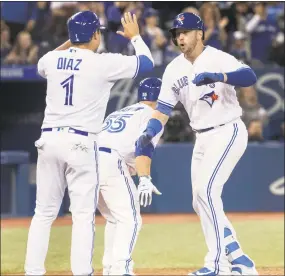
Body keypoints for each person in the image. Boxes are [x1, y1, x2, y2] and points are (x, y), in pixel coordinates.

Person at [24, 11, 154, 276]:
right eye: (99, 33)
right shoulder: (102, 63)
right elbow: (147, 63)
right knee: (82, 216)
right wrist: (136, 37)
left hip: (48, 139)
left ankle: (32, 272)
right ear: (95, 34)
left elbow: (40, 64)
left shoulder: (52, 59)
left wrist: (70, 43)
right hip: (81, 143)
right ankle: (82, 272)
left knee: (43, 214)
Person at [136, 12, 258, 276]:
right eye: (177, 33)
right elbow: (163, 110)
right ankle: (240, 259)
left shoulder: (217, 57)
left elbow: (249, 76)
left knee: (206, 192)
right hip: (202, 137)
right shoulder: (173, 69)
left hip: (228, 130)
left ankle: (217, 266)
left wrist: (219, 76)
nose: (180, 37)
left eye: (186, 32)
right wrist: (150, 129)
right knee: (199, 200)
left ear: (200, 33)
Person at [97, 77, 162, 276]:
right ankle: (122, 269)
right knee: (131, 220)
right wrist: (144, 177)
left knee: (115, 219)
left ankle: (110, 269)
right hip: (111, 161)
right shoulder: (154, 114)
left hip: (89, 160)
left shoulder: (120, 111)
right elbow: (144, 145)